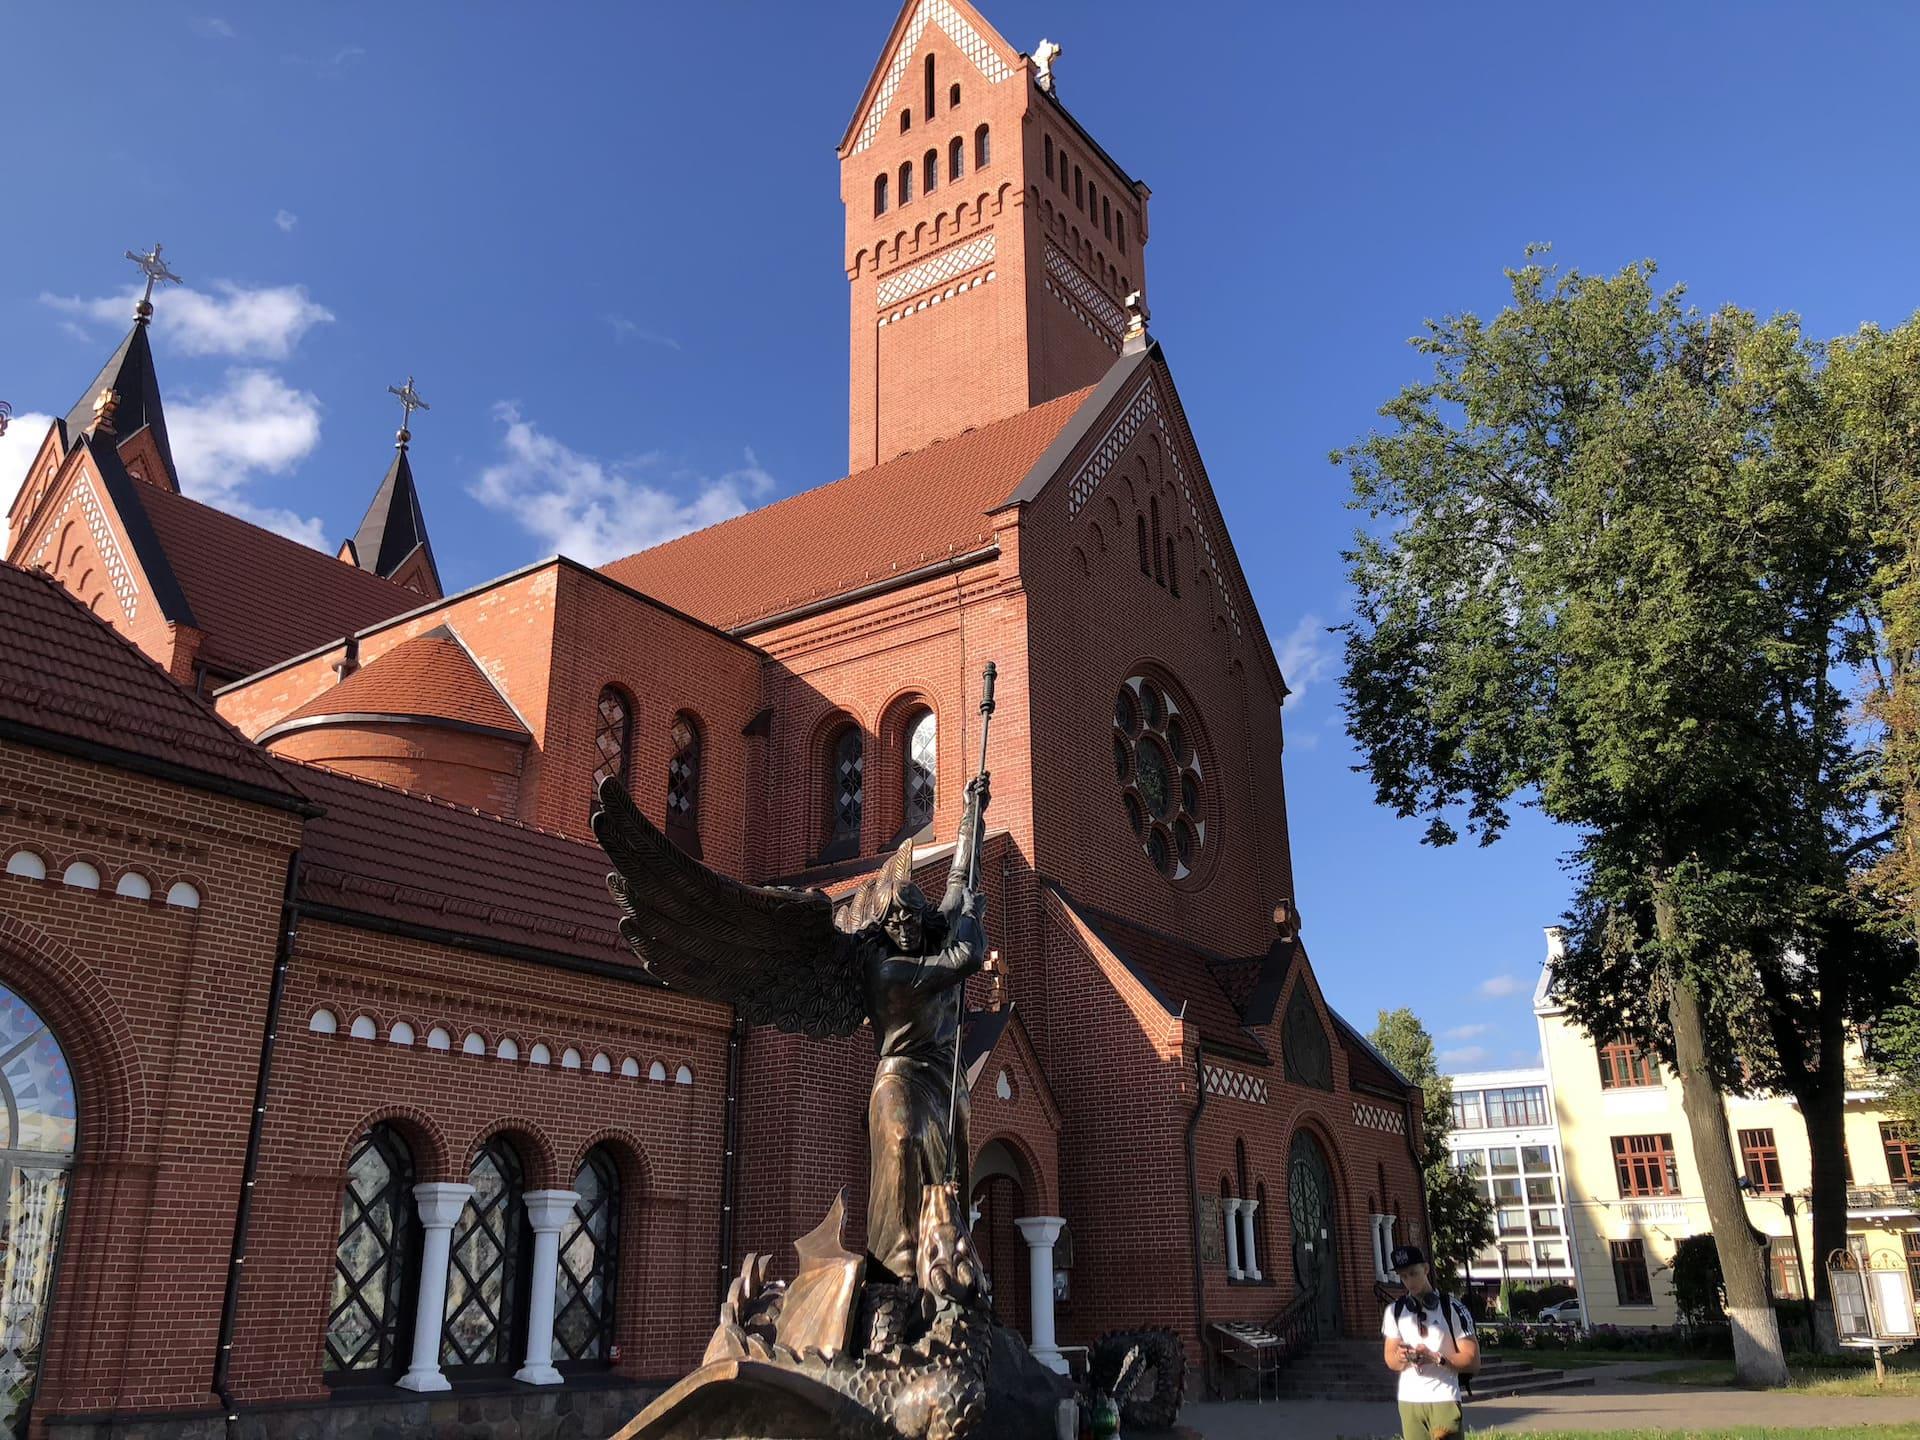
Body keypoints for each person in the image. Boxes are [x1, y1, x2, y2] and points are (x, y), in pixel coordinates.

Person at [1381, 1243, 1478, 1440]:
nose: (1410, 1281)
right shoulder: (1395, 1311)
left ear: (1425, 1269)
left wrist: (1437, 1358)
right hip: (1410, 1401)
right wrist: (1402, 1357)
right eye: (1403, 1276)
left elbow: (1473, 1362)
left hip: (1443, 1398)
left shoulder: (1452, 1309)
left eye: (1413, 1273)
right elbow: (1390, 1359)